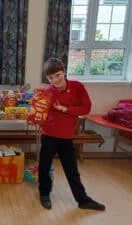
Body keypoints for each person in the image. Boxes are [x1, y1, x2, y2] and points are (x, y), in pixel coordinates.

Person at [38, 57, 105, 211]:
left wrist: (66, 109)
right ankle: (44, 194)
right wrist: (36, 115)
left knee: (71, 170)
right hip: (49, 134)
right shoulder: (48, 92)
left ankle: (83, 200)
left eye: (57, 75)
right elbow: (42, 114)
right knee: (44, 167)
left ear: (64, 72)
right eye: (50, 77)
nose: (55, 80)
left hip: (66, 137)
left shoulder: (77, 87)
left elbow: (86, 108)